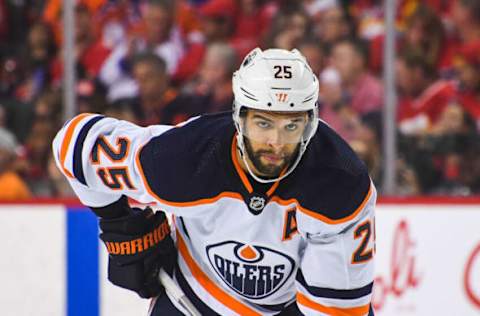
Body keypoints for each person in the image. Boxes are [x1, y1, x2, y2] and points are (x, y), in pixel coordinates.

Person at [52, 48, 376, 315]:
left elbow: (334, 310)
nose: (276, 143)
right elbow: (73, 145)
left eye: (291, 126)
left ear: (310, 123)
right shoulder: (185, 158)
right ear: (239, 116)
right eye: (263, 123)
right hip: (195, 297)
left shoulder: (339, 185)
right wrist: (118, 221)